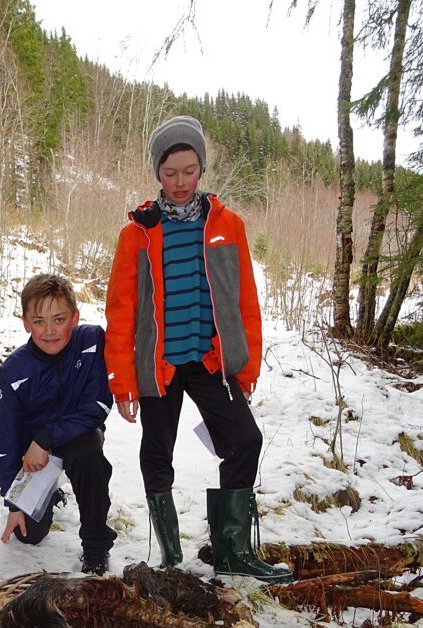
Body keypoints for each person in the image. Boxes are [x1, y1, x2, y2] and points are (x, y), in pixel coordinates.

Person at [105, 115, 292, 583]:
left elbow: (245, 300)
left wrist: (245, 366)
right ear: (157, 174)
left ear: (202, 168)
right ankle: (170, 557)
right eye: (170, 173)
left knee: (245, 440)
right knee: (156, 453)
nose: (180, 181)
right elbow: (121, 311)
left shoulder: (227, 226)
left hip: (211, 362)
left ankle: (232, 552)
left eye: (189, 170)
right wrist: (122, 381)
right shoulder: (137, 234)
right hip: (159, 366)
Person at [0, 274, 117, 575]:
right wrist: (14, 502)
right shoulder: (14, 370)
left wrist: (47, 437)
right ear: (25, 322)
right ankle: (51, 491)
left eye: (59, 320)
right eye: (39, 321)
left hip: (76, 437)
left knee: (88, 454)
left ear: (75, 317)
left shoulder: (91, 342)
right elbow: (3, 443)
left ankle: (96, 545)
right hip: (34, 457)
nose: (49, 331)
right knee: (28, 536)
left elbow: (98, 405)